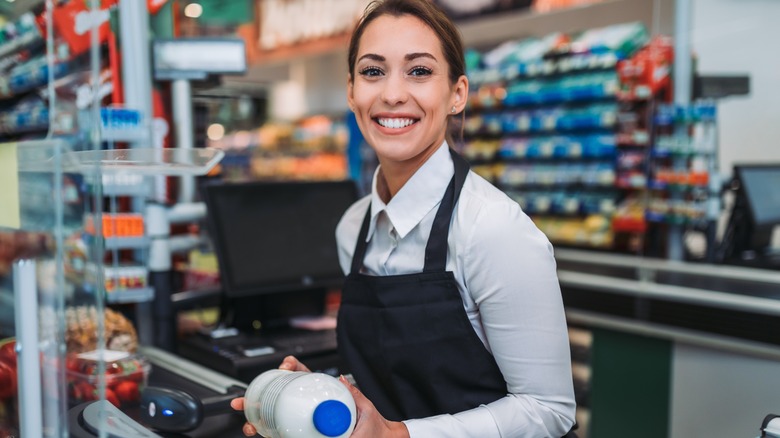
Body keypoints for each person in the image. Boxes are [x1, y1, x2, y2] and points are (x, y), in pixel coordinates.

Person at [231, 0, 577, 436]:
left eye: (419, 71)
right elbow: (402, 380)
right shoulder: (353, 228)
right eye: (373, 71)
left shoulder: (492, 229)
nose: (392, 93)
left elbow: (547, 409)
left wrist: (400, 435)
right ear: (352, 92)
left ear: (457, 94)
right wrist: (322, 395)